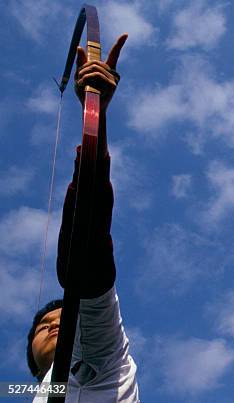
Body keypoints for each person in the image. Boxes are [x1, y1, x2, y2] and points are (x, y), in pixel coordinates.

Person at [26, 33, 140, 402]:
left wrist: (95, 116)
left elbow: (87, 249)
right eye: (44, 327)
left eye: (62, 320)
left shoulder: (98, 354)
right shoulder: (33, 388)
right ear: (30, 357)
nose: (54, 325)